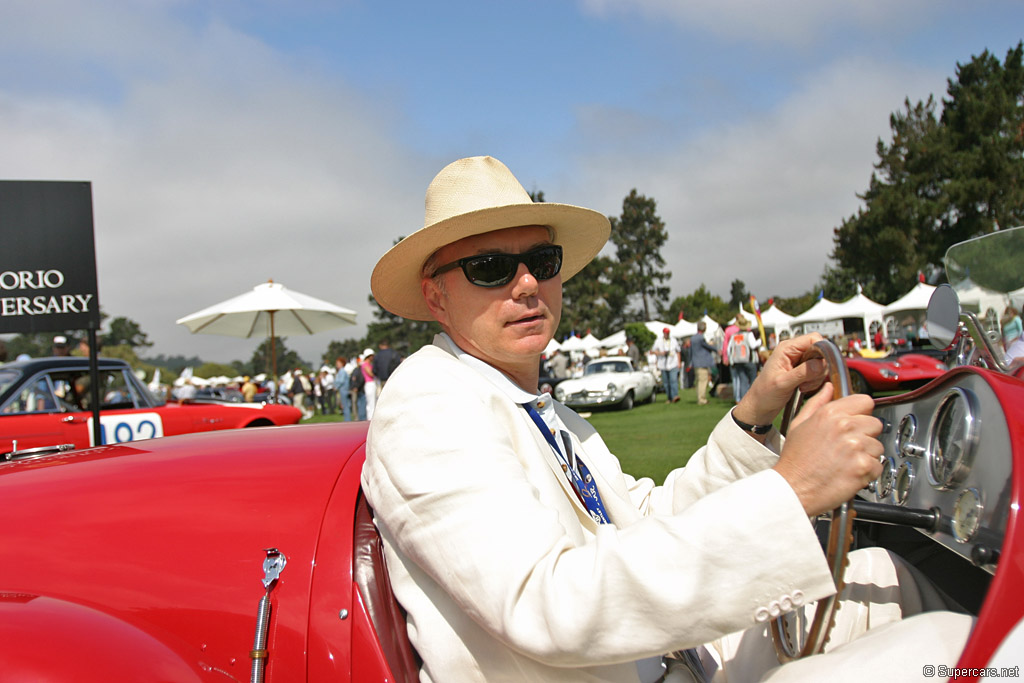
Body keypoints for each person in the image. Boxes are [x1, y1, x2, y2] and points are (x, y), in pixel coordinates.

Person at [361, 156, 970, 682]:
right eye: (489, 268)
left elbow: (643, 521)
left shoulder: (541, 410)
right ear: (436, 295)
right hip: (653, 667)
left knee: (886, 578)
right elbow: (550, 604)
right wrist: (796, 489)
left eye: (542, 261)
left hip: (671, 661)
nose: (526, 284)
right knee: (951, 649)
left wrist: (756, 416)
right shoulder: (429, 403)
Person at [727, 318, 760, 403]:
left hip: (737, 361)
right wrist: (759, 341)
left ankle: (743, 400)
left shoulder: (734, 336)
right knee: (753, 379)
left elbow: (729, 348)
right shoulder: (748, 335)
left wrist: (731, 360)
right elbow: (753, 345)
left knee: (742, 380)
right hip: (748, 360)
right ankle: (753, 399)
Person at [690, 320, 717, 406]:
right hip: (702, 363)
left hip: (696, 363)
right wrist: (716, 349)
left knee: (698, 381)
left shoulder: (693, 338)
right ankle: (702, 399)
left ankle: (700, 397)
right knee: (703, 381)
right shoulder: (701, 338)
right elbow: (706, 346)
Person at [652, 326, 682, 403]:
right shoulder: (658, 341)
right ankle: (669, 397)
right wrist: (661, 353)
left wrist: (679, 362)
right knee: (666, 383)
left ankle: (675, 396)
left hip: (673, 363)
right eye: (665, 333)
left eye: (668, 333)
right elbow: (653, 351)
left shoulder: (673, 340)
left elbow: (678, 351)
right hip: (663, 364)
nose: (667, 334)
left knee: (673, 380)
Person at [359, 349, 377, 418]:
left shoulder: (368, 364)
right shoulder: (365, 364)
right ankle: (370, 418)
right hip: (369, 384)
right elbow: (370, 374)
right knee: (371, 403)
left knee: (373, 402)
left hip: (371, 383)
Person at [333, 356, 352, 421]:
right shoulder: (341, 371)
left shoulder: (342, 371)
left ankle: (347, 420)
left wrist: (336, 386)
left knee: (345, 405)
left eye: (338, 363)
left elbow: (341, 381)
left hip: (343, 390)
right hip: (343, 390)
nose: (337, 365)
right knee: (345, 405)